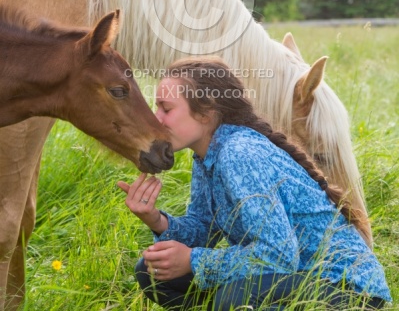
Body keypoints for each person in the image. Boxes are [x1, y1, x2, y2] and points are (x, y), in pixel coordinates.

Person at [117, 56, 391, 310]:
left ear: (206, 112)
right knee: (153, 271)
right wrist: (157, 221)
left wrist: (193, 260)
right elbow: (204, 230)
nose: (156, 118)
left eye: (166, 108)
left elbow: (279, 256)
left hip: (350, 293)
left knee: (237, 296)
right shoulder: (206, 154)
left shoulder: (240, 153)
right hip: (291, 279)